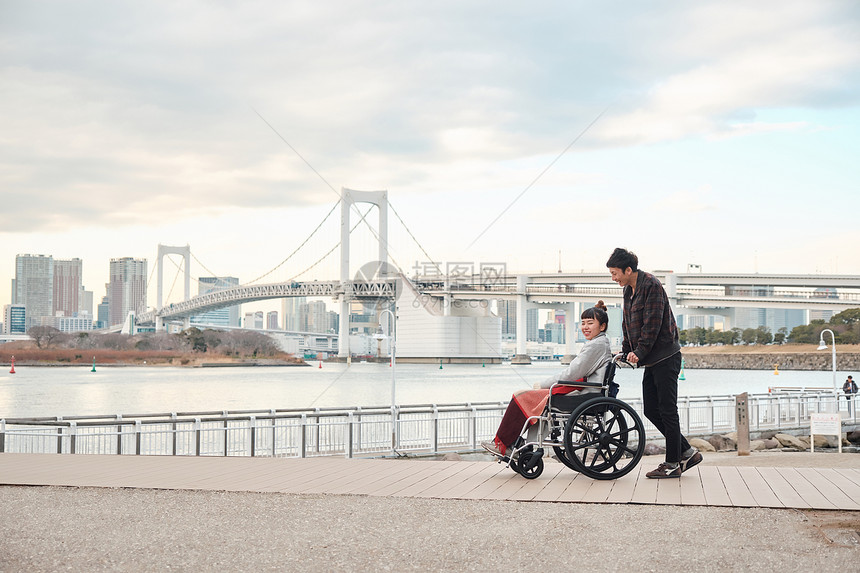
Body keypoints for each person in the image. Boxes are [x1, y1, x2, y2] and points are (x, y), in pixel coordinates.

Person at [606, 248, 702, 479]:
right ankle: (687, 452)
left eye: (615, 273)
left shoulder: (651, 285)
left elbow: (653, 323)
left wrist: (639, 351)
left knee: (668, 410)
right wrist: (627, 350)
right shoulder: (628, 290)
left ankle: (672, 463)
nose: (613, 278)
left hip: (666, 356)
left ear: (628, 269)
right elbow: (628, 323)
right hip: (652, 360)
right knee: (651, 409)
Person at [481, 302, 612, 457]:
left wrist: (543, 384)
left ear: (602, 327)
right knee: (531, 400)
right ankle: (518, 445)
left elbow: (572, 373)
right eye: (583, 323)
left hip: (587, 395)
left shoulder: (596, 345)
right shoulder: (598, 343)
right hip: (588, 392)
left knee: (523, 396)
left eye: (590, 323)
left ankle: (506, 443)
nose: (585, 327)